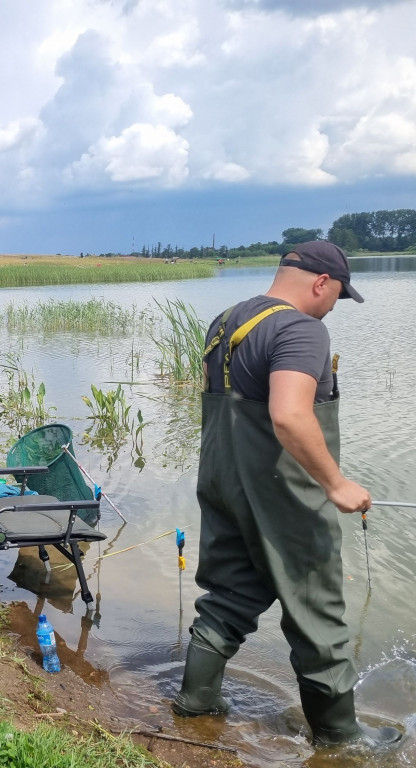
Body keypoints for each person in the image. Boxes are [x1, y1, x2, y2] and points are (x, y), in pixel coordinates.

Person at [172, 241, 400, 746]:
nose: (334, 307)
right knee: (316, 605)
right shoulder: (301, 328)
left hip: (223, 481)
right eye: (338, 296)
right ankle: (342, 738)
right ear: (321, 282)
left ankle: (197, 699)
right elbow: (289, 414)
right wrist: (337, 484)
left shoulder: (226, 320)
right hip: (281, 493)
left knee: (231, 591)